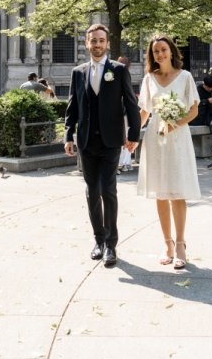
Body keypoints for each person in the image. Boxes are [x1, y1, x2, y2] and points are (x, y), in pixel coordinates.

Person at [64, 23, 140, 267]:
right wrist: (68, 135)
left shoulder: (118, 70)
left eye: (101, 40)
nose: (97, 44)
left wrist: (134, 134)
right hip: (86, 141)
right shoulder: (78, 72)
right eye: (93, 41)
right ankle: (98, 240)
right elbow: (72, 106)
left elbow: (130, 103)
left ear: (107, 43)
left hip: (110, 141)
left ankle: (111, 244)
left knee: (108, 190)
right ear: (87, 44)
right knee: (92, 191)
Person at [137, 35, 200, 271]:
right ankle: (167, 245)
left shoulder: (185, 77)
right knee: (160, 193)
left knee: (177, 192)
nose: (160, 54)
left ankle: (181, 244)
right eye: (155, 52)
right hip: (155, 137)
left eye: (163, 50)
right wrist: (133, 136)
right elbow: (145, 112)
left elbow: (193, 110)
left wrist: (176, 123)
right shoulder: (149, 79)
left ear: (171, 51)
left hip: (177, 137)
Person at [116, 55, 134, 174]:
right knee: (126, 138)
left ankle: (120, 164)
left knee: (121, 139)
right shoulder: (126, 75)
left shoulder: (117, 74)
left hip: (121, 114)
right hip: (124, 114)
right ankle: (125, 163)